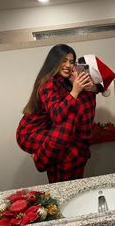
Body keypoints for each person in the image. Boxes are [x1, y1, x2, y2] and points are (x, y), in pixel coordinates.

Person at [16, 44, 100, 183]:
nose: (68, 65)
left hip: (49, 131)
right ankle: (41, 160)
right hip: (30, 132)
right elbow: (57, 115)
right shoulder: (47, 83)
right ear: (54, 62)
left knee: (70, 151)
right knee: (69, 149)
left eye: (71, 61)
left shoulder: (64, 82)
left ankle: (59, 185)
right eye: (64, 60)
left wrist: (90, 87)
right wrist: (75, 91)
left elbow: (87, 99)